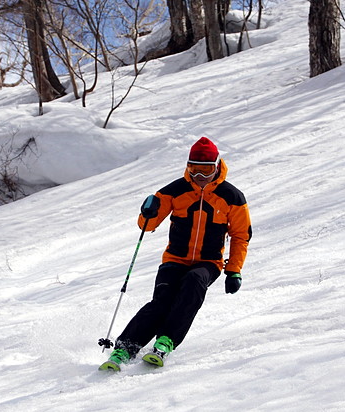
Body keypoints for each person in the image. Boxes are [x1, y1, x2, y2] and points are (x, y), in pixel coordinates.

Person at [100, 137, 252, 371]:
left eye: (206, 171)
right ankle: (125, 348)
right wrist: (148, 212)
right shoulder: (174, 191)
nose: (200, 177)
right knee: (162, 302)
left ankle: (165, 341)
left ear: (217, 167)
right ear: (188, 167)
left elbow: (241, 235)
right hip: (174, 259)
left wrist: (234, 270)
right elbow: (146, 226)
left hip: (208, 262)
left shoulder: (232, 197)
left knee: (193, 283)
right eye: (194, 170)